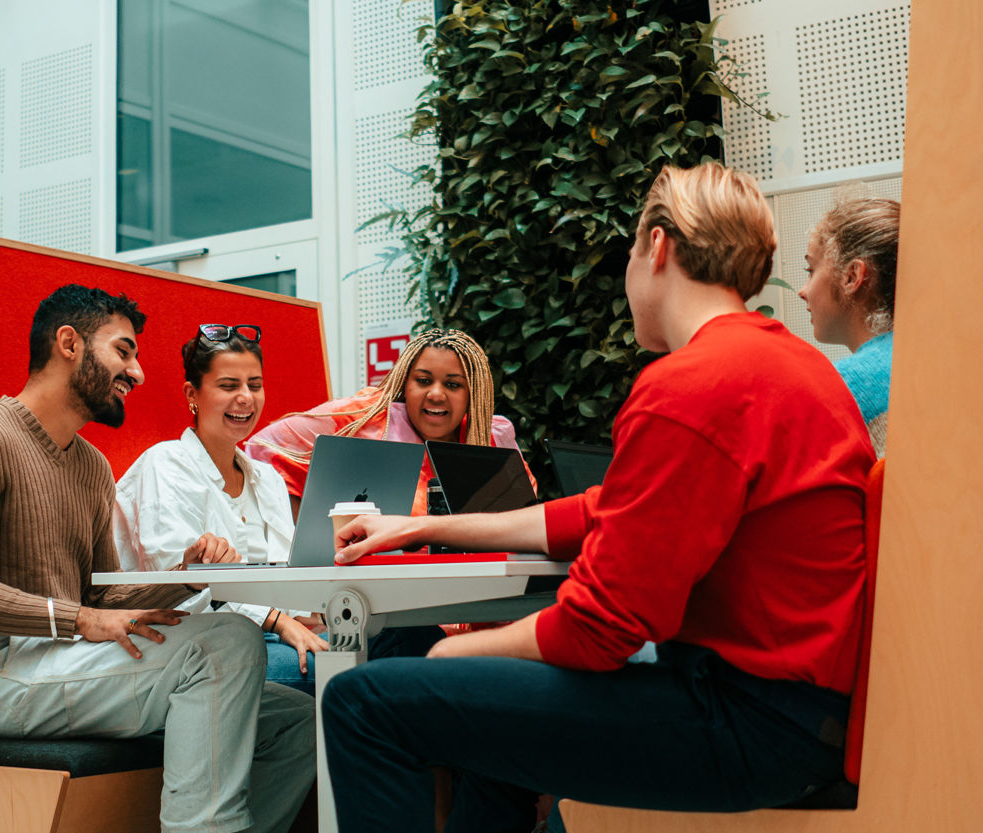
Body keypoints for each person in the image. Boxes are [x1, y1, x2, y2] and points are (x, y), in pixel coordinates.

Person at [321, 164, 876, 833]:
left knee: (363, 701)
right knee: (490, 731)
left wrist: (453, 656)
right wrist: (416, 531)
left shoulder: (691, 385)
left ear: (659, 247)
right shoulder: (783, 364)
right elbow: (601, 510)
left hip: (745, 724)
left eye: (631, 252)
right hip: (797, 714)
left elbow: (600, 629)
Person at [0, 285, 315, 833]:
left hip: (72, 660)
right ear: (69, 345)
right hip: (0, 673)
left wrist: (187, 576)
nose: (138, 372)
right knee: (226, 642)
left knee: (300, 721)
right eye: (124, 351)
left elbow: (103, 595)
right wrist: (79, 619)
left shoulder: (91, 466)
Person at [114, 324, 329, 694]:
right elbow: (181, 587)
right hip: (193, 646)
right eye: (229, 386)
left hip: (273, 636)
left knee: (395, 647)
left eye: (254, 385)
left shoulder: (267, 478)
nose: (246, 397)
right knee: (334, 673)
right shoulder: (165, 465)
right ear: (192, 393)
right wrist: (278, 621)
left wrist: (312, 612)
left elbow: (286, 571)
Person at [246, 328, 532, 519]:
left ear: (472, 395)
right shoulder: (366, 419)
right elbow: (263, 447)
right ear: (404, 384)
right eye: (422, 381)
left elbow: (523, 517)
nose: (435, 393)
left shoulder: (491, 437)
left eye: (453, 384)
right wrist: (301, 540)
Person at [799, 197, 900, 456]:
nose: (803, 291)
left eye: (810, 270)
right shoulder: (936, 358)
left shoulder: (841, 387)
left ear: (852, 276)